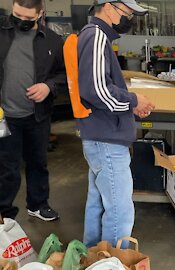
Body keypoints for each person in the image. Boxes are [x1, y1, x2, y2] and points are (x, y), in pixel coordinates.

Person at [76, 0, 154, 247]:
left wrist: (131, 104)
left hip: (101, 136)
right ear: (109, 7)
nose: (129, 18)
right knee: (119, 211)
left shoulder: (95, 37)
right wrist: (132, 101)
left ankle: (92, 256)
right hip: (106, 139)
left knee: (98, 203)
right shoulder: (96, 36)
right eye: (127, 13)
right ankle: (111, 262)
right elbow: (96, 90)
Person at [0, 0, 66, 221]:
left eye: (28, 18)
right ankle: (4, 213)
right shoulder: (1, 33)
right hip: (4, 117)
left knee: (38, 162)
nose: (21, 21)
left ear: (40, 14)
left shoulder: (53, 41)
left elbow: (63, 75)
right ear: (13, 8)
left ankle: (38, 205)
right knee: (6, 168)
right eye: (17, 15)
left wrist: (48, 86)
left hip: (37, 115)